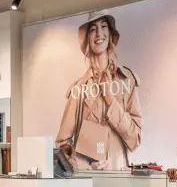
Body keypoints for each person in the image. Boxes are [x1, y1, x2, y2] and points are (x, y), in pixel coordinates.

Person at [56, 9, 143, 171]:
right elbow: (62, 143)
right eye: (93, 29)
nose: (98, 33)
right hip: (88, 180)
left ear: (110, 35)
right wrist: (84, 163)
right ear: (87, 37)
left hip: (118, 175)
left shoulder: (127, 80)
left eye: (103, 27)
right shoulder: (79, 88)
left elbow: (135, 139)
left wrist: (111, 101)